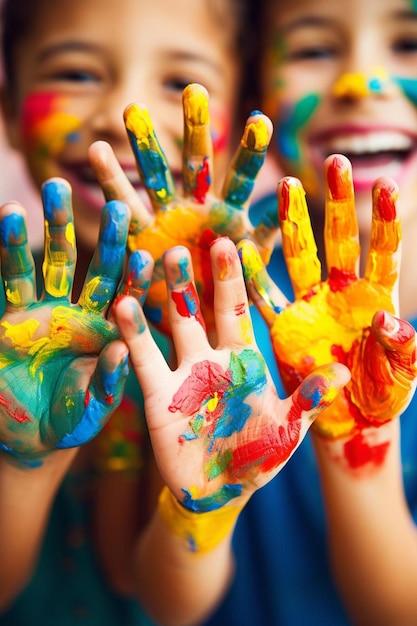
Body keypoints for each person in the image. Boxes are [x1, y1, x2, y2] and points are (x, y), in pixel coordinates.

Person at [0, 0, 278, 624]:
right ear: (9, 109)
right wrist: (24, 462)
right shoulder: (9, 326)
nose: (127, 114)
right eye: (76, 73)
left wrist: (203, 504)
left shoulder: (225, 334)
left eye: (181, 83)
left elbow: (165, 599)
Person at [199, 1, 417, 625]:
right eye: (314, 51)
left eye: (408, 43)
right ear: (250, 92)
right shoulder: (220, 285)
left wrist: (361, 447)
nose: (360, 81)